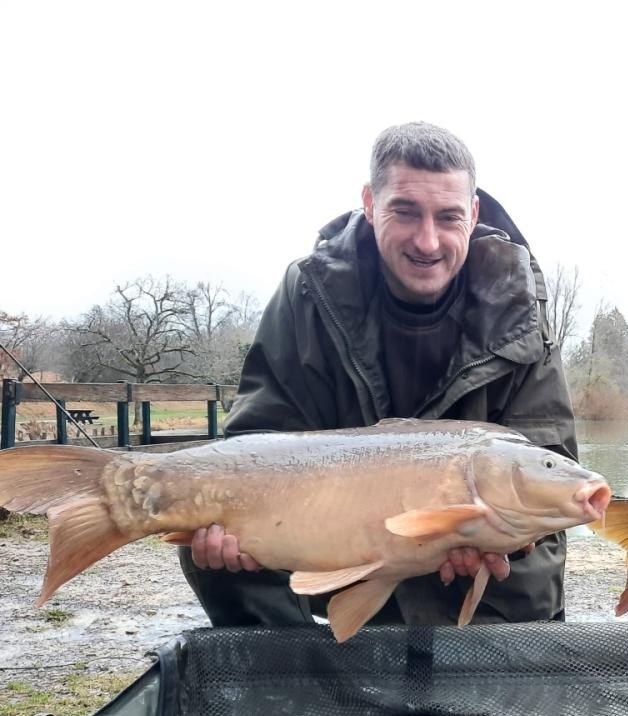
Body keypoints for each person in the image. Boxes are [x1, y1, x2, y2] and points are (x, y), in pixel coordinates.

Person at [179, 122, 578, 627]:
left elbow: (549, 457)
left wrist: (503, 542)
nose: (428, 241)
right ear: (370, 203)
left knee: (524, 565)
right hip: (333, 532)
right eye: (405, 212)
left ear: (473, 214)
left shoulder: (517, 305)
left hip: (476, 547)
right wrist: (241, 521)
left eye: (449, 216)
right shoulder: (310, 290)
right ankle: (308, 688)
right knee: (210, 545)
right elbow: (259, 437)